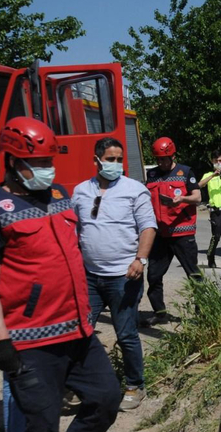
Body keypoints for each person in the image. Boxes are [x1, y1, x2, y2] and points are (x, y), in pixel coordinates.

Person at [0, 117, 120, 432]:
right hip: (31, 343)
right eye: (37, 163)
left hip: (79, 333)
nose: (46, 169)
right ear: (12, 162)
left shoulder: (59, 195)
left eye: (48, 162)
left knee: (106, 400)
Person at [72, 137, 157, 410]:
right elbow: (74, 230)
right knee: (81, 332)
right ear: (96, 160)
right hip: (89, 277)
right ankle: (79, 384)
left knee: (126, 333)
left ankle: (135, 385)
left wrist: (140, 260)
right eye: (110, 159)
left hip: (124, 277)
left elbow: (148, 227)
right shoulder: (80, 191)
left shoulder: (135, 190)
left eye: (119, 159)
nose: (116, 164)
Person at [144, 137, 202, 327]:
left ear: (172, 156)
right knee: (153, 275)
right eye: (158, 159)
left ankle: (203, 314)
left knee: (194, 275)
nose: (160, 163)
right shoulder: (152, 175)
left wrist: (182, 199)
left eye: (164, 159)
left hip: (182, 234)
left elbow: (198, 197)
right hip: (160, 235)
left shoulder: (185, 172)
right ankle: (160, 313)